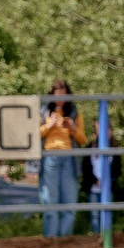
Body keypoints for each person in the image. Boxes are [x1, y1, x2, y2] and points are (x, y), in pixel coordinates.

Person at [39, 79, 83, 237]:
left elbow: (82, 139)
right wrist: (48, 126)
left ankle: (65, 239)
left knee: (69, 202)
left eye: (64, 95)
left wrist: (73, 129)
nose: (60, 98)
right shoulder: (43, 111)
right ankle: (51, 239)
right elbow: (33, 135)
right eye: (57, 95)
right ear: (51, 95)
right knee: (50, 202)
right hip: (49, 158)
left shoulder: (74, 113)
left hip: (69, 159)